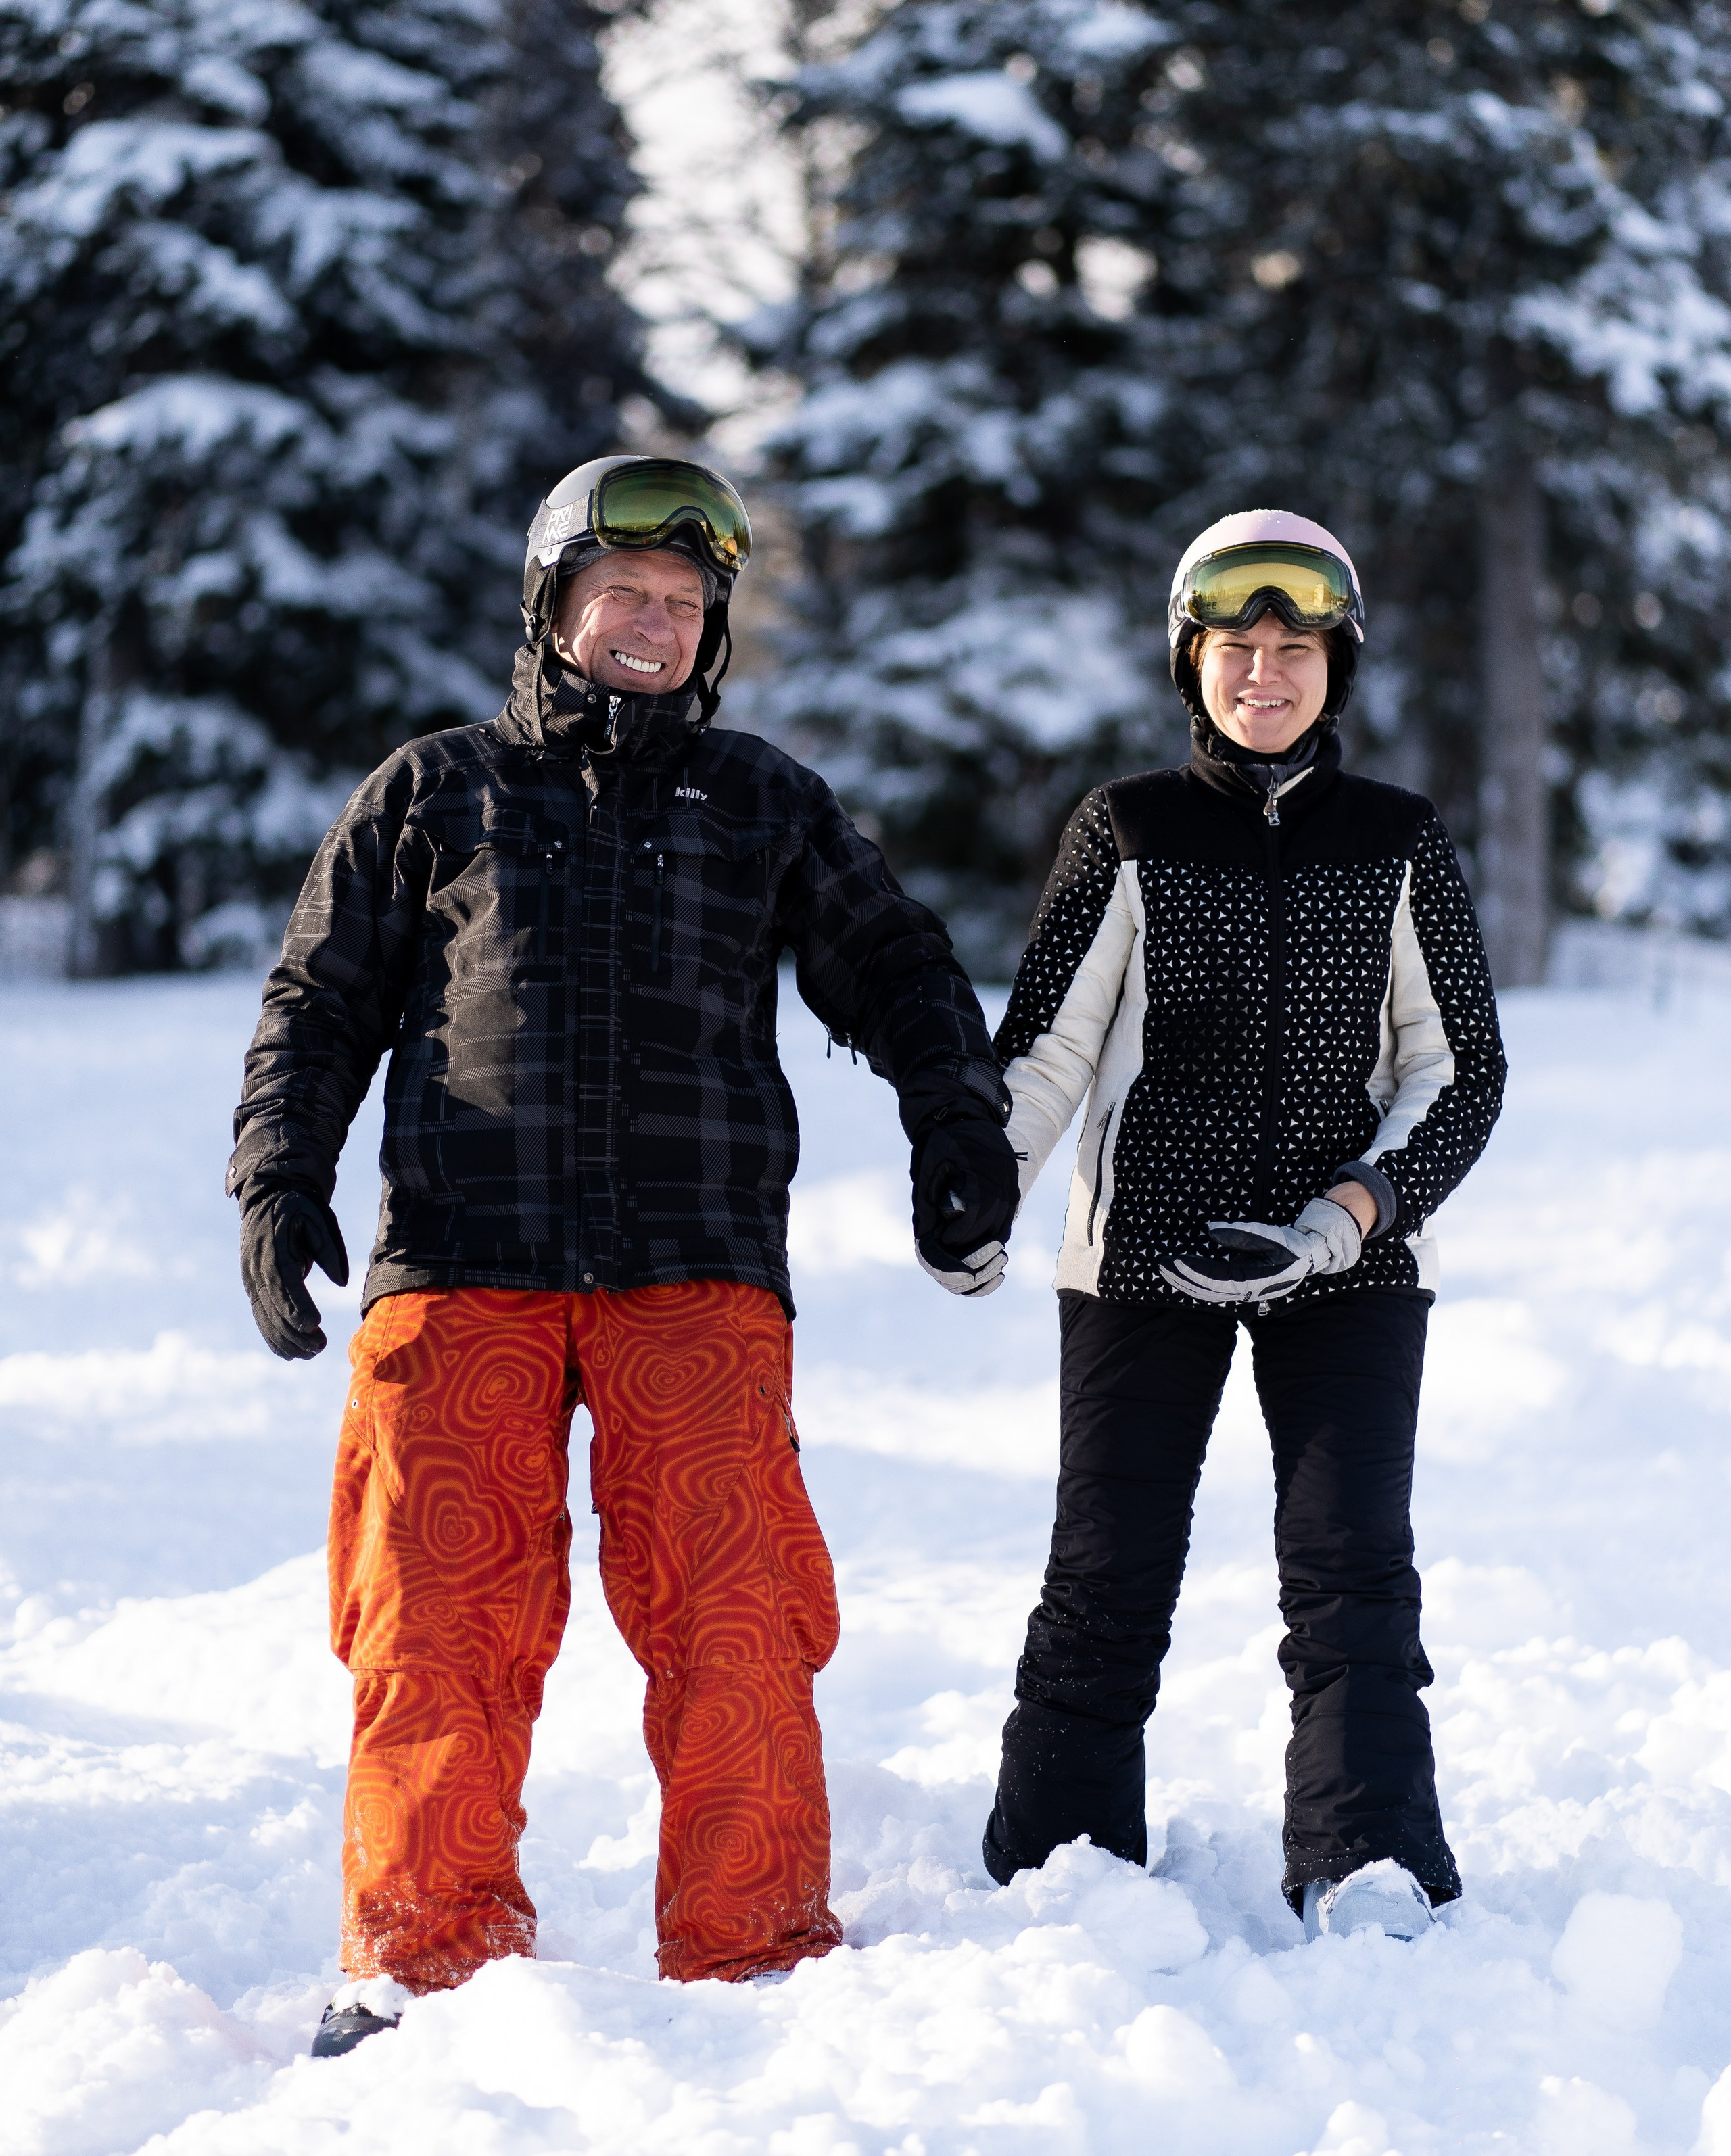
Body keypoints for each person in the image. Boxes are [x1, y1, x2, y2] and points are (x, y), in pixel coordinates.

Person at [227, 455, 1019, 2054]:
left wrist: (957, 1120)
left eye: (684, 604)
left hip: (697, 1267)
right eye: (624, 596)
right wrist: (278, 1176)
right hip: (460, 1270)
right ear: (553, 603)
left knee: (736, 1615)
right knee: (433, 1621)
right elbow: (318, 1001)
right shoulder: (430, 791)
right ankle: (415, 1963)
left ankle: (754, 1956)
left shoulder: (762, 799)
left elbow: (897, 962)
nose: (654, 626)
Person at [979, 508, 1506, 1941]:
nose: (1263, 674)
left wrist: (1345, 1220)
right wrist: (981, 1185)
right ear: (1187, 661)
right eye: (1234, 647)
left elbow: (1455, 1071)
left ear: (1335, 665)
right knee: (1106, 1570)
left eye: (1294, 647)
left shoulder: (1394, 838)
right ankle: (1060, 1866)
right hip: (1142, 1256)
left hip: (1348, 1268)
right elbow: (1045, 1049)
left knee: (1349, 1573)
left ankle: (1368, 1859)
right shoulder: (1128, 826)